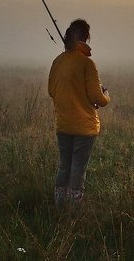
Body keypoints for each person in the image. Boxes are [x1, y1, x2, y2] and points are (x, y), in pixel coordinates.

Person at [48, 18, 110, 208]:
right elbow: (97, 98)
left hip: (64, 125)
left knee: (64, 166)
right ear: (85, 38)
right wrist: (105, 94)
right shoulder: (87, 64)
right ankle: (73, 212)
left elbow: (52, 90)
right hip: (84, 128)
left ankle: (59, 207)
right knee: (77, 169)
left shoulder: (58, 61)